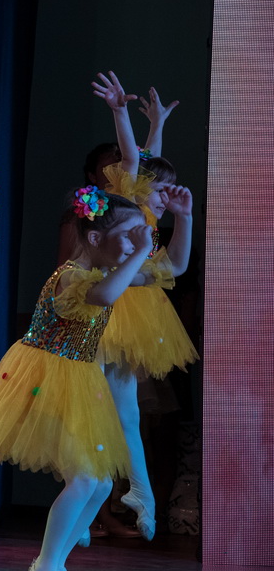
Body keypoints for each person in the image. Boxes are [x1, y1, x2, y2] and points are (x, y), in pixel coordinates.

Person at [0, 189, 155, 571]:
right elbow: (105, 296)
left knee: (101, 482)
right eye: (127, 236)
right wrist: (140, 252)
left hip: (77, 377)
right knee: (85, 477)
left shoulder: (105, 273)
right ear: (95, 238)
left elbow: (169, 269)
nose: (134, 244)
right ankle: (44, 570)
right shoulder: (72, 275)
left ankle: (57, 565)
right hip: (45, 378)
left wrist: (185, 217)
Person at [89, 72, 198, 540]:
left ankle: (138, 493)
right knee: (89, 406)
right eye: (160, 191)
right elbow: (137, 161)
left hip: (132, 311)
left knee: (126, 413)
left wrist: (157, 125)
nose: (165, 196)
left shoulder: (152, 216)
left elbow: (176, 264)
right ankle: (90, 500)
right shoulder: (130, 205)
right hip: (105, 311)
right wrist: (119, 112)